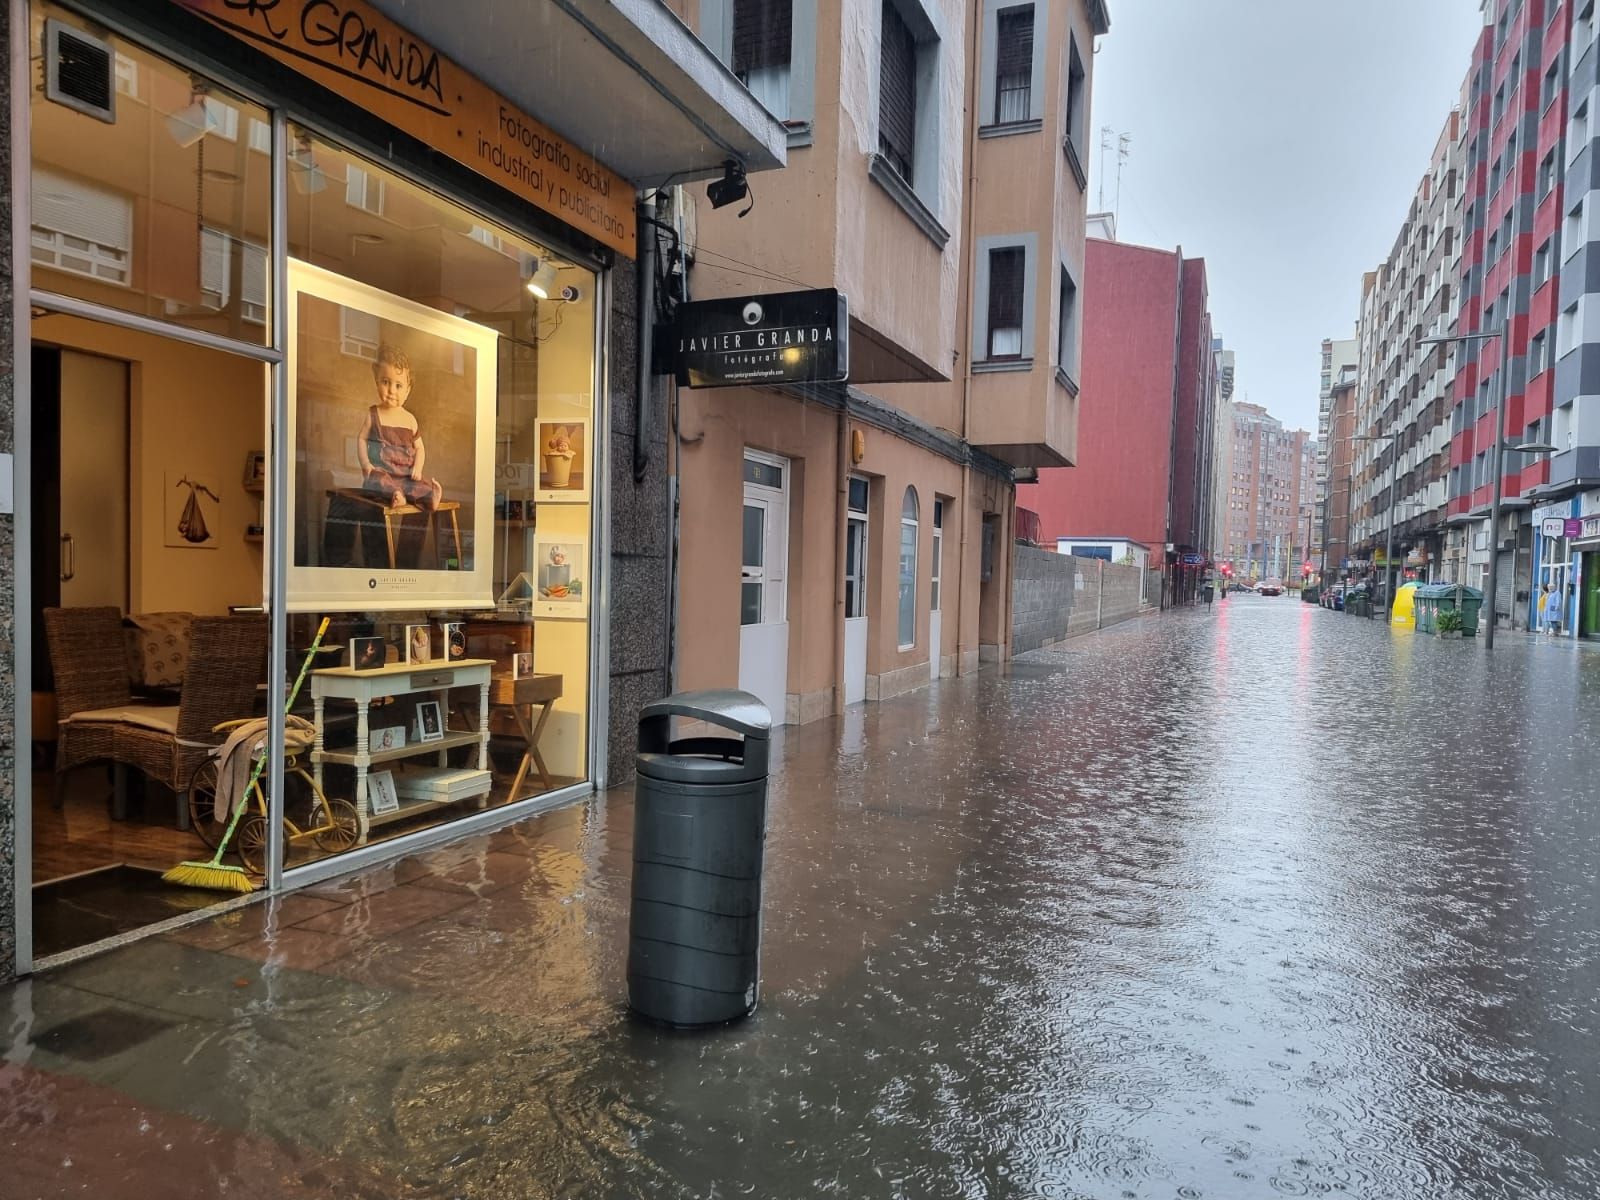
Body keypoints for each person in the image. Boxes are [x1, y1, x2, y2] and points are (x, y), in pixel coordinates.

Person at [324, 344, 442, 570]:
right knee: (378, 481)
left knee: (421, 484)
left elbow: (420, 448)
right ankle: (395, 495)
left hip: (406, 475)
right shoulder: (373, 414)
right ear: (376, 382)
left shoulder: (409, 419)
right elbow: (361, 440)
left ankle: (430, 495)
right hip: (384, 473)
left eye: (398, 385)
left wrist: (418, 467)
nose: (391, 390)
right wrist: (366, 464)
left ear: (408, 390)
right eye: (385, 382)